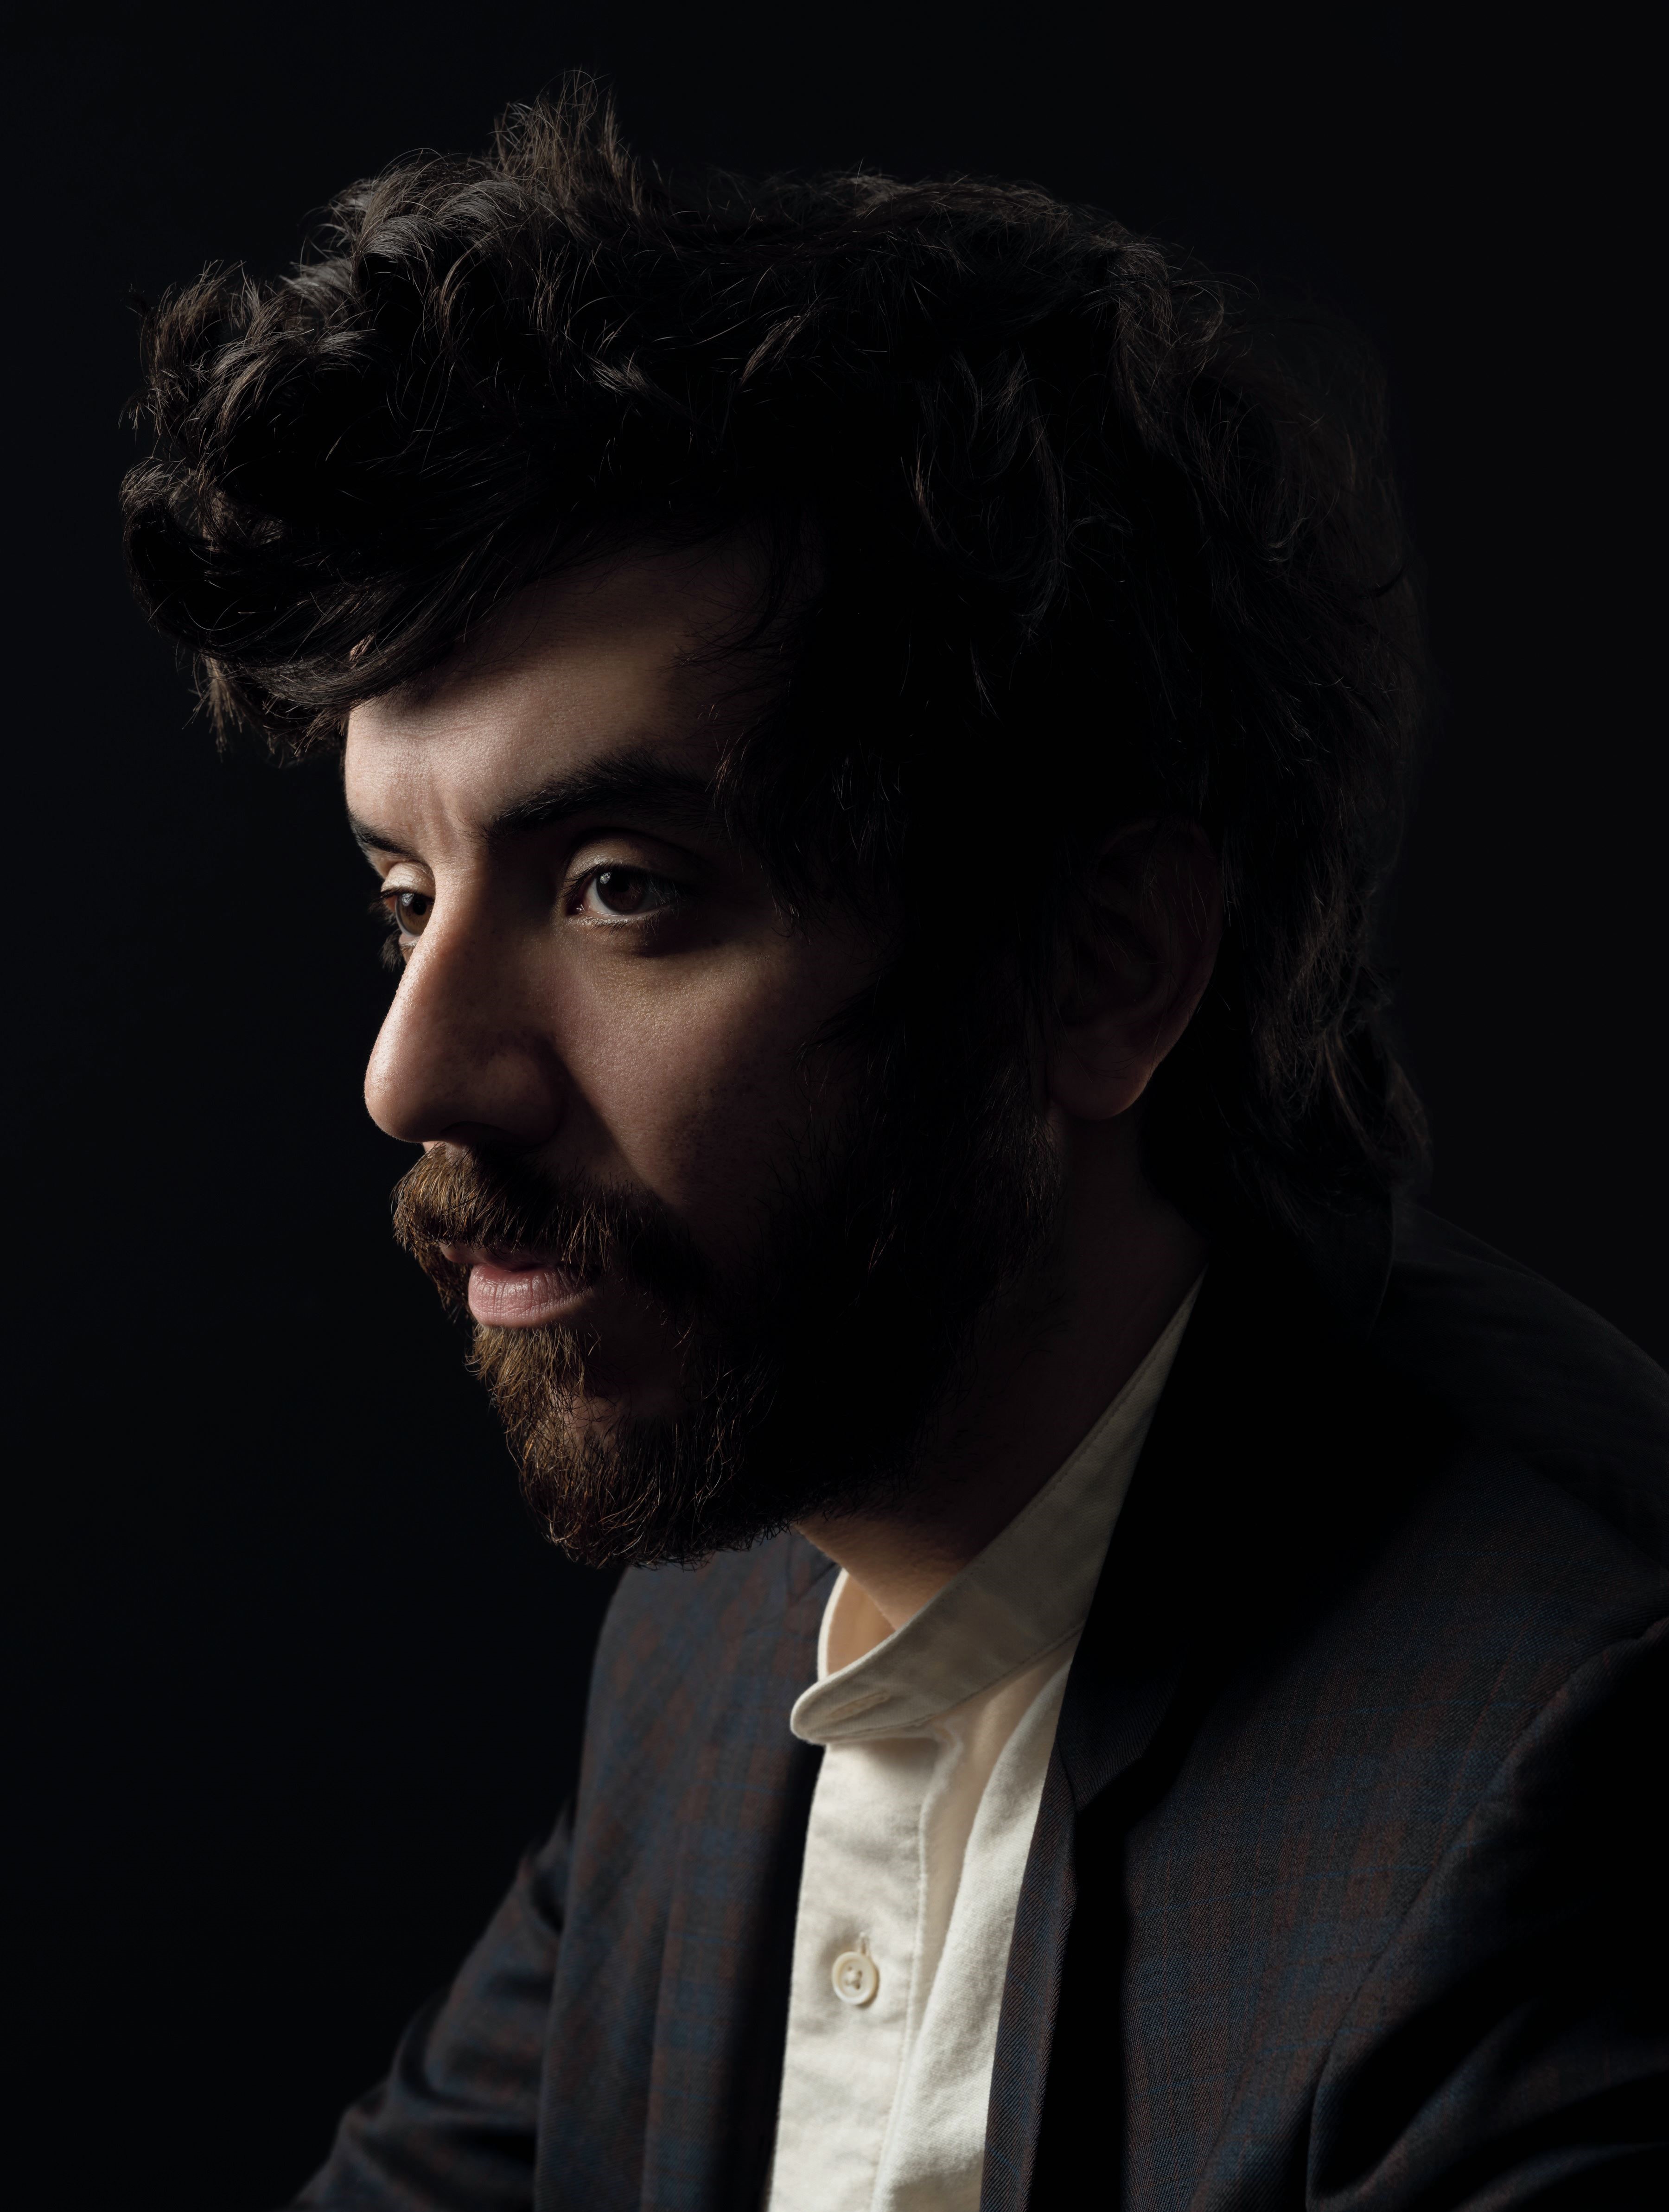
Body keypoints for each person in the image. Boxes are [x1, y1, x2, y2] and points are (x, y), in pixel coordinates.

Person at [122, 80, 1666, 2212]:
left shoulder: (1570, 1745)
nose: (414, 1072)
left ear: (1105, 967)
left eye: (624, 888)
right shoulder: (733, 1609)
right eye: (408, 893)